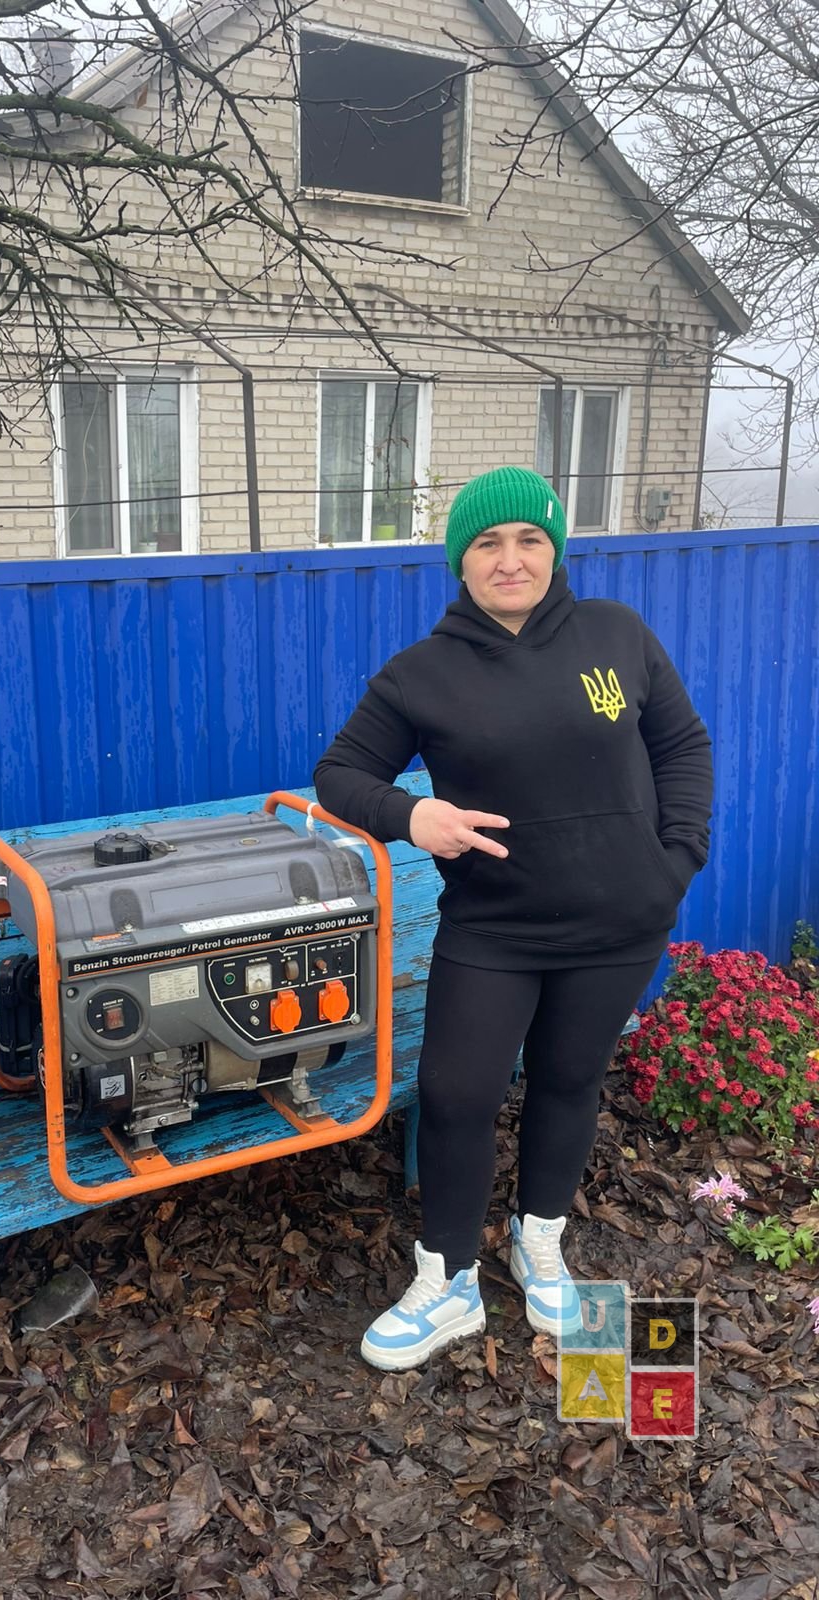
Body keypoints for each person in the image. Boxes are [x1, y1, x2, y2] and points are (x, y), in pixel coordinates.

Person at [313, 466, 713, 1372]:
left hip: (621, 926)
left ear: (553, 549)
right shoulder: (421, 674)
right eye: (488, 543)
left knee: (570, 1081)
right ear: (461, 561)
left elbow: (682, 744)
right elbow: (341, 774)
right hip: (494, 929)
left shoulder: (617, 634)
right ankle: (448, 1280)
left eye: (529, 539)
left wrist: (678, 859)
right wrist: (412, 814)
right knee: (456, 1094)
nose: (510, 559)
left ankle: (540, 1246)